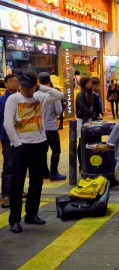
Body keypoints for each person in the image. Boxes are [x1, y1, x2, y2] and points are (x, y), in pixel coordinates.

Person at [4, 71, 64, 233]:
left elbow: (59, 94)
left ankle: (31, 214)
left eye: (28, 86)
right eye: (22, 86)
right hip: (20, 147)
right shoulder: (13, 99)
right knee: (17, 184)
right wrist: (17, 143)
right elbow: (8, 123)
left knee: (36, 183)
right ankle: (14, 219)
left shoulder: (40, 97)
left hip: (39, 145)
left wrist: (41, 87)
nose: (24, 89)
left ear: (34, 87)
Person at [39, 72, 67, 181]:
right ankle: (54, 173)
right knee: (56, 150)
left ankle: (44, 172)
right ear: (49, 80)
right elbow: (59, 110)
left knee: (43, 151)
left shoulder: (36, 94)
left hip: (40, 128)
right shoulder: (53, 94)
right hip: (51, 127)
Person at [0, 74, 21, 208]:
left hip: (22, 137)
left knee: (19, 165)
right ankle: (6, 195)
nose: (14, 83)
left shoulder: (21, 97)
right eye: (11, 81)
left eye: (16, 81)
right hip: (7, 137)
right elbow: (15, 117)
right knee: (9, 165)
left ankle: (17, 191)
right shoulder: (3, 100)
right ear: (6, 84)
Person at [76, 77, 93, 171]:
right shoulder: (80, 95)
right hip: (82, 120)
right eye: (89, 82)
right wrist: (91, 113)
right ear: (84, 84)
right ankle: (82, 164)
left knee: (88, 142)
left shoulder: (89, 94)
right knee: (82, 142)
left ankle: (86, 163)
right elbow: (82, 108)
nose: (90, 84)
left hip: (89, 120)